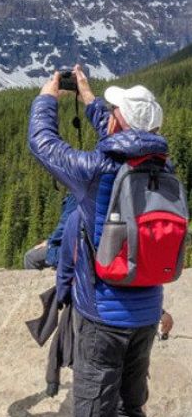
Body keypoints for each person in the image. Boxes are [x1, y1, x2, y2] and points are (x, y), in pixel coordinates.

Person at [28, 66, 169, 416]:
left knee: (93, 409)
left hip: (103, 318)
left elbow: (43, 143)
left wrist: (48, 98)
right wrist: (88, 97)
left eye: (112, 113)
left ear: (117, 124)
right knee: (130, 405)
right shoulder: (164, 169)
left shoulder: (95, 171)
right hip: (147, 312)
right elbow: (124, 140)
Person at [23, 193, 76, 270]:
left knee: (30, 257)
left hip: (75, 249)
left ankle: (33, 281)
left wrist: (49, 242)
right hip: (81, 245)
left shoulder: (75, 196)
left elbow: (64, 227)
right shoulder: (83, 190)